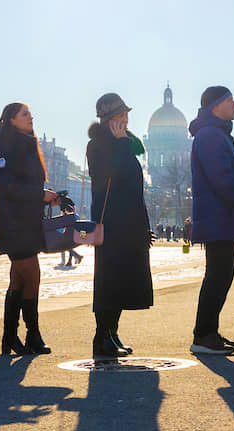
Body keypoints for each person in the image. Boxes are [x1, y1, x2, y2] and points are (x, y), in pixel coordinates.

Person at [189, 86, 234, 354]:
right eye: (231, 100)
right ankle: (203, 336)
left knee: (221, 277)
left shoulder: (216, 134)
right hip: (218, 217)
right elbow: (223, 179)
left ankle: (209, 332)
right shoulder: (210, 135)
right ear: (216, 105)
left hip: (221, 217)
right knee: (218, 277)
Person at [87, 93, 154, 357]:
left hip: (130, 224)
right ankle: (101, 337)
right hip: (112, 225)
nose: (125, 120)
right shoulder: (99, 146)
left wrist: (144, 225)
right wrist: (121, 144)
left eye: (125, 115)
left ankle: (112, 334)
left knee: (123, 282)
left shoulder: (123, 143)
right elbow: (116, 176)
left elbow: (134, 189)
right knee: (109, 282)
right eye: (119, 116)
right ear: (107, 120)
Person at [0, 102, 58, 355]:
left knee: (18, 279)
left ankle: (10, 337)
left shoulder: (27, 143)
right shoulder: (5, 146)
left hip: (27, 222)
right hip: (13, 223)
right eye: (25, 114)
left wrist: (48, 196)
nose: (31, 117)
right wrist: (40, 195)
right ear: (11, 119)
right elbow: (6, 187)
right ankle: (32, 334)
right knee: (32, 276)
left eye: (30, 113)